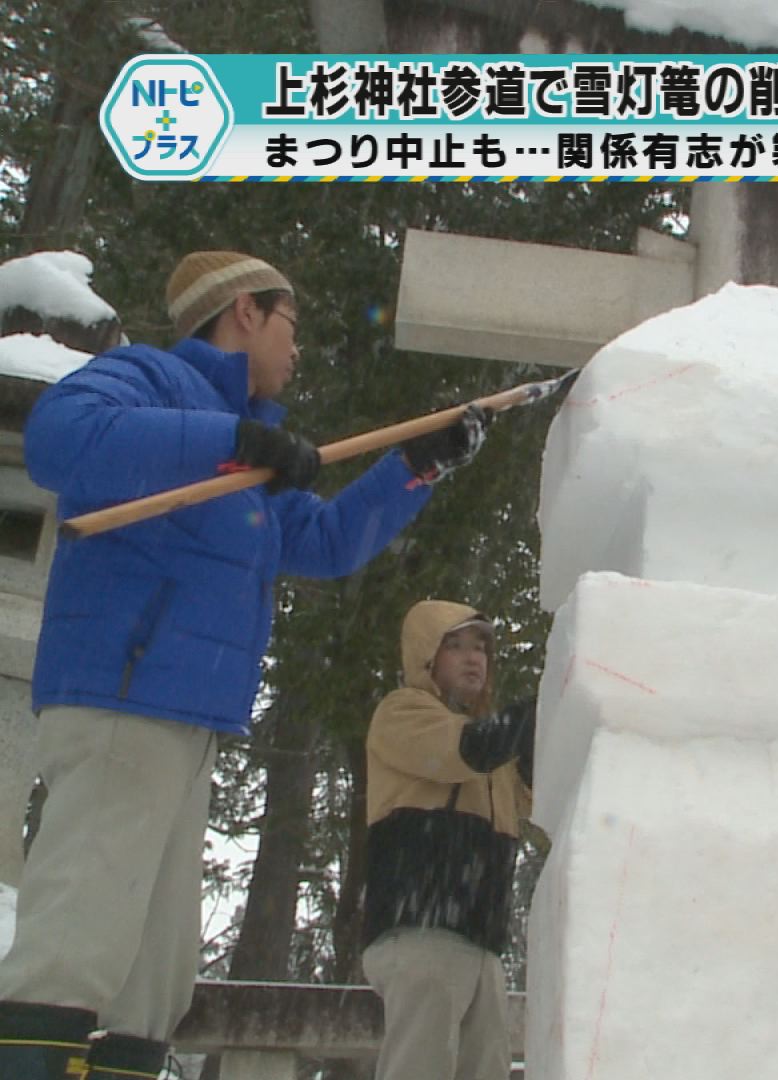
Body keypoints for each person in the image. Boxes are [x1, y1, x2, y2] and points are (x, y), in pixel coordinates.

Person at [0, 251, 489, 1080]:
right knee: (79, 932)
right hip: (125, 698)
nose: (299, 349)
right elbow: (58, 439)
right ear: (245, 314)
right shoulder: (145, 378)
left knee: (155, 972)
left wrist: (416, 465)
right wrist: (230, 439)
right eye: (292, 323)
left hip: (191, 724)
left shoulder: (252, 450)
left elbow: (325, 542)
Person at [361, 600, 536, 1080]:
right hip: (420, 928)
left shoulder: (493, 748)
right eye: (455, 646)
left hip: (481, 940)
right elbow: (465, 748)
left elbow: (539, 799)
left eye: (481, 647)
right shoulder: (402, 712)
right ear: (425, 656)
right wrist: (544, 704)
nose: (474, 657)